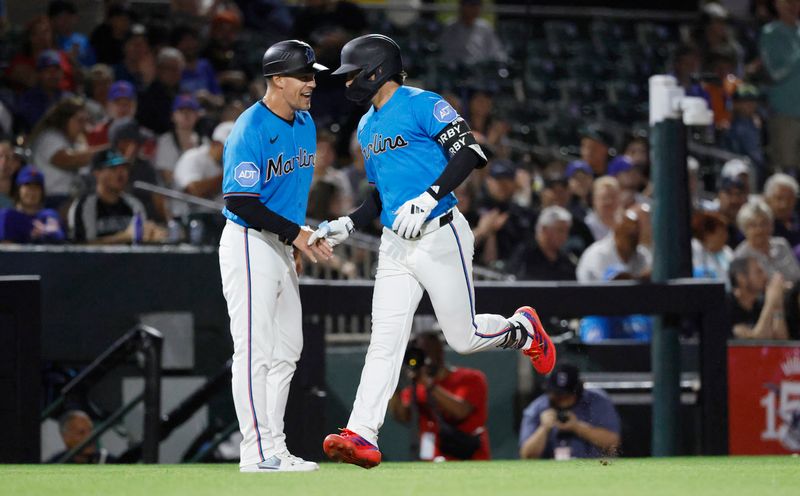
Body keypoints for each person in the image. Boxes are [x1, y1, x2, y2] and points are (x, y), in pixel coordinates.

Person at [312, 34, 556, 469]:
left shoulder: (423, 103)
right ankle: (361, 433)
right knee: (384, 343)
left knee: (463, 338)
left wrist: (429, 196)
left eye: (352, 75)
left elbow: (470, 152)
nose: (346, 84)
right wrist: (349, 222)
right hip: (395, 244)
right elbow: (381, 195)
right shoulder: (366, 125)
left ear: (375, 70)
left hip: (440, 233)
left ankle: (522, 329)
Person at [218, 39, 332, 473]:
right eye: (303, 76)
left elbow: (287, 197)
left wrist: (293, 241)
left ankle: (275, 447)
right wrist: (296, 234)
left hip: (280, 246)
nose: (312, 83)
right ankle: (256, 450)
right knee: (255, 350)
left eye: (313, 75)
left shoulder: (305, 123)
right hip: (248, 241)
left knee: (288, 349)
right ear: (278, 79)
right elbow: (241, 201)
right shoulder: (249, 128)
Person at [388, 331, 491, 461]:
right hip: (432, 462)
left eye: (427, 351)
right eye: (420, 353)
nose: (425, 358)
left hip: (469, 457)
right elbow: (402, 415)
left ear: (440, 351)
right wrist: (392, 381)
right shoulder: (416, 386)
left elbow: (460, 411)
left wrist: (428, 384)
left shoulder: (471, 378)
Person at [519, 363, 621, 459]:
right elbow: (527, 455)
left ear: (578, 390)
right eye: (557, 394)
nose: (562, 400)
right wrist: (544, 428)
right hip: (550, 471)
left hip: (591, 469)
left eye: (566, 395)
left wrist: (577, 427)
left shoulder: (596, 401)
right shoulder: (538, 407)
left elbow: (612, 443)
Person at [67, 149, 165, 244]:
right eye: (113, 168)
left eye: (124, 168)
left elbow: (141, 238)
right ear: (97, 173)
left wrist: (152, 235)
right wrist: (123, 237)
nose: (121, 173)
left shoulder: (133, 203)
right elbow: (81, 249)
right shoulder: (85, 205)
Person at [28, 97, 107, 209]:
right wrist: (109, 150)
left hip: (73, 199)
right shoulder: (49, 137)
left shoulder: (76, 143)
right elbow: (67, 160)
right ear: (64, 120)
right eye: (80, 121)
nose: (84, 127)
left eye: (86, 121)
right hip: (51, 200)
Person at [760, 0, 800, 173]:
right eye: (787, 1)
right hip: (785, 115)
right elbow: (775, 73)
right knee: (786, 173)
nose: (792, 5)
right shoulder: (771, 33)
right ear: (776, 4)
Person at [733, 199, 800, 283]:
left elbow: (797, 276)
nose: (759, 230)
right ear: (744, 229)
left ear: (771, 226)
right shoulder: (741, 256)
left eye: (764, 223)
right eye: (753, 225)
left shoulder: (782, 245)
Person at [728, 256, 790, 340]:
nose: (765, 276)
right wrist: (770, 303)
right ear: (741, 278)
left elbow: (781, 340)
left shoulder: (760, 303)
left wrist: (777, 304)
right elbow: (756, 341)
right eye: (759, 272)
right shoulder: (726, 305)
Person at [508, 206, 577, 281]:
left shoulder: (566, 260)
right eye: (560, 230)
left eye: (567, 232)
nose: (565, 236)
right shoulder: (525, 255)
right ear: (544, 229)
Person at [0, 165, 64, 244]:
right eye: (27, 186)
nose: (32, 192)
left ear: (42, 192)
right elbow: (6, 249)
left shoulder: (49, 214)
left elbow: (56, 232)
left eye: (36, 187)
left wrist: (47, 232)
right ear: (18, 190)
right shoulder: (7, 216)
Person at [154, 94, 203, 186]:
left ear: (197, 115)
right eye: (181, 111)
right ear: (173, 115)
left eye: (190, 110)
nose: (186, 115)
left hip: (199, 195)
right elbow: (166, 176)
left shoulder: (204, 142)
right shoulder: (165, 141)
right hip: (174, 196)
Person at [439, 0, 506, 66]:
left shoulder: (485, 27)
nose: (475, 9)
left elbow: (496, 52)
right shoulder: (450, 27)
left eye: (477, 5)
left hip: (480, 70)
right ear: (461, 6)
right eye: (471, 5)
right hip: (455, 71)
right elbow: (444, 54)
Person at [46, 410, 115, 464]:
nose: (90, 437)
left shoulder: (108, 461)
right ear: (66, 437)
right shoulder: (53, 467)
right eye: (81, 433)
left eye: (91, 430)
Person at [691, 210, 733, 286]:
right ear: (707, 235)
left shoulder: (727, 252)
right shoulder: (692, 250)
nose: (725, 238)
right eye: (720, 235)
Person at [584, 176, 621, 242]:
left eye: (613, 197)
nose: (609, 202)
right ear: (594, 200)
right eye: (604, 198)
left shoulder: (624, 223)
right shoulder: (587, 225)